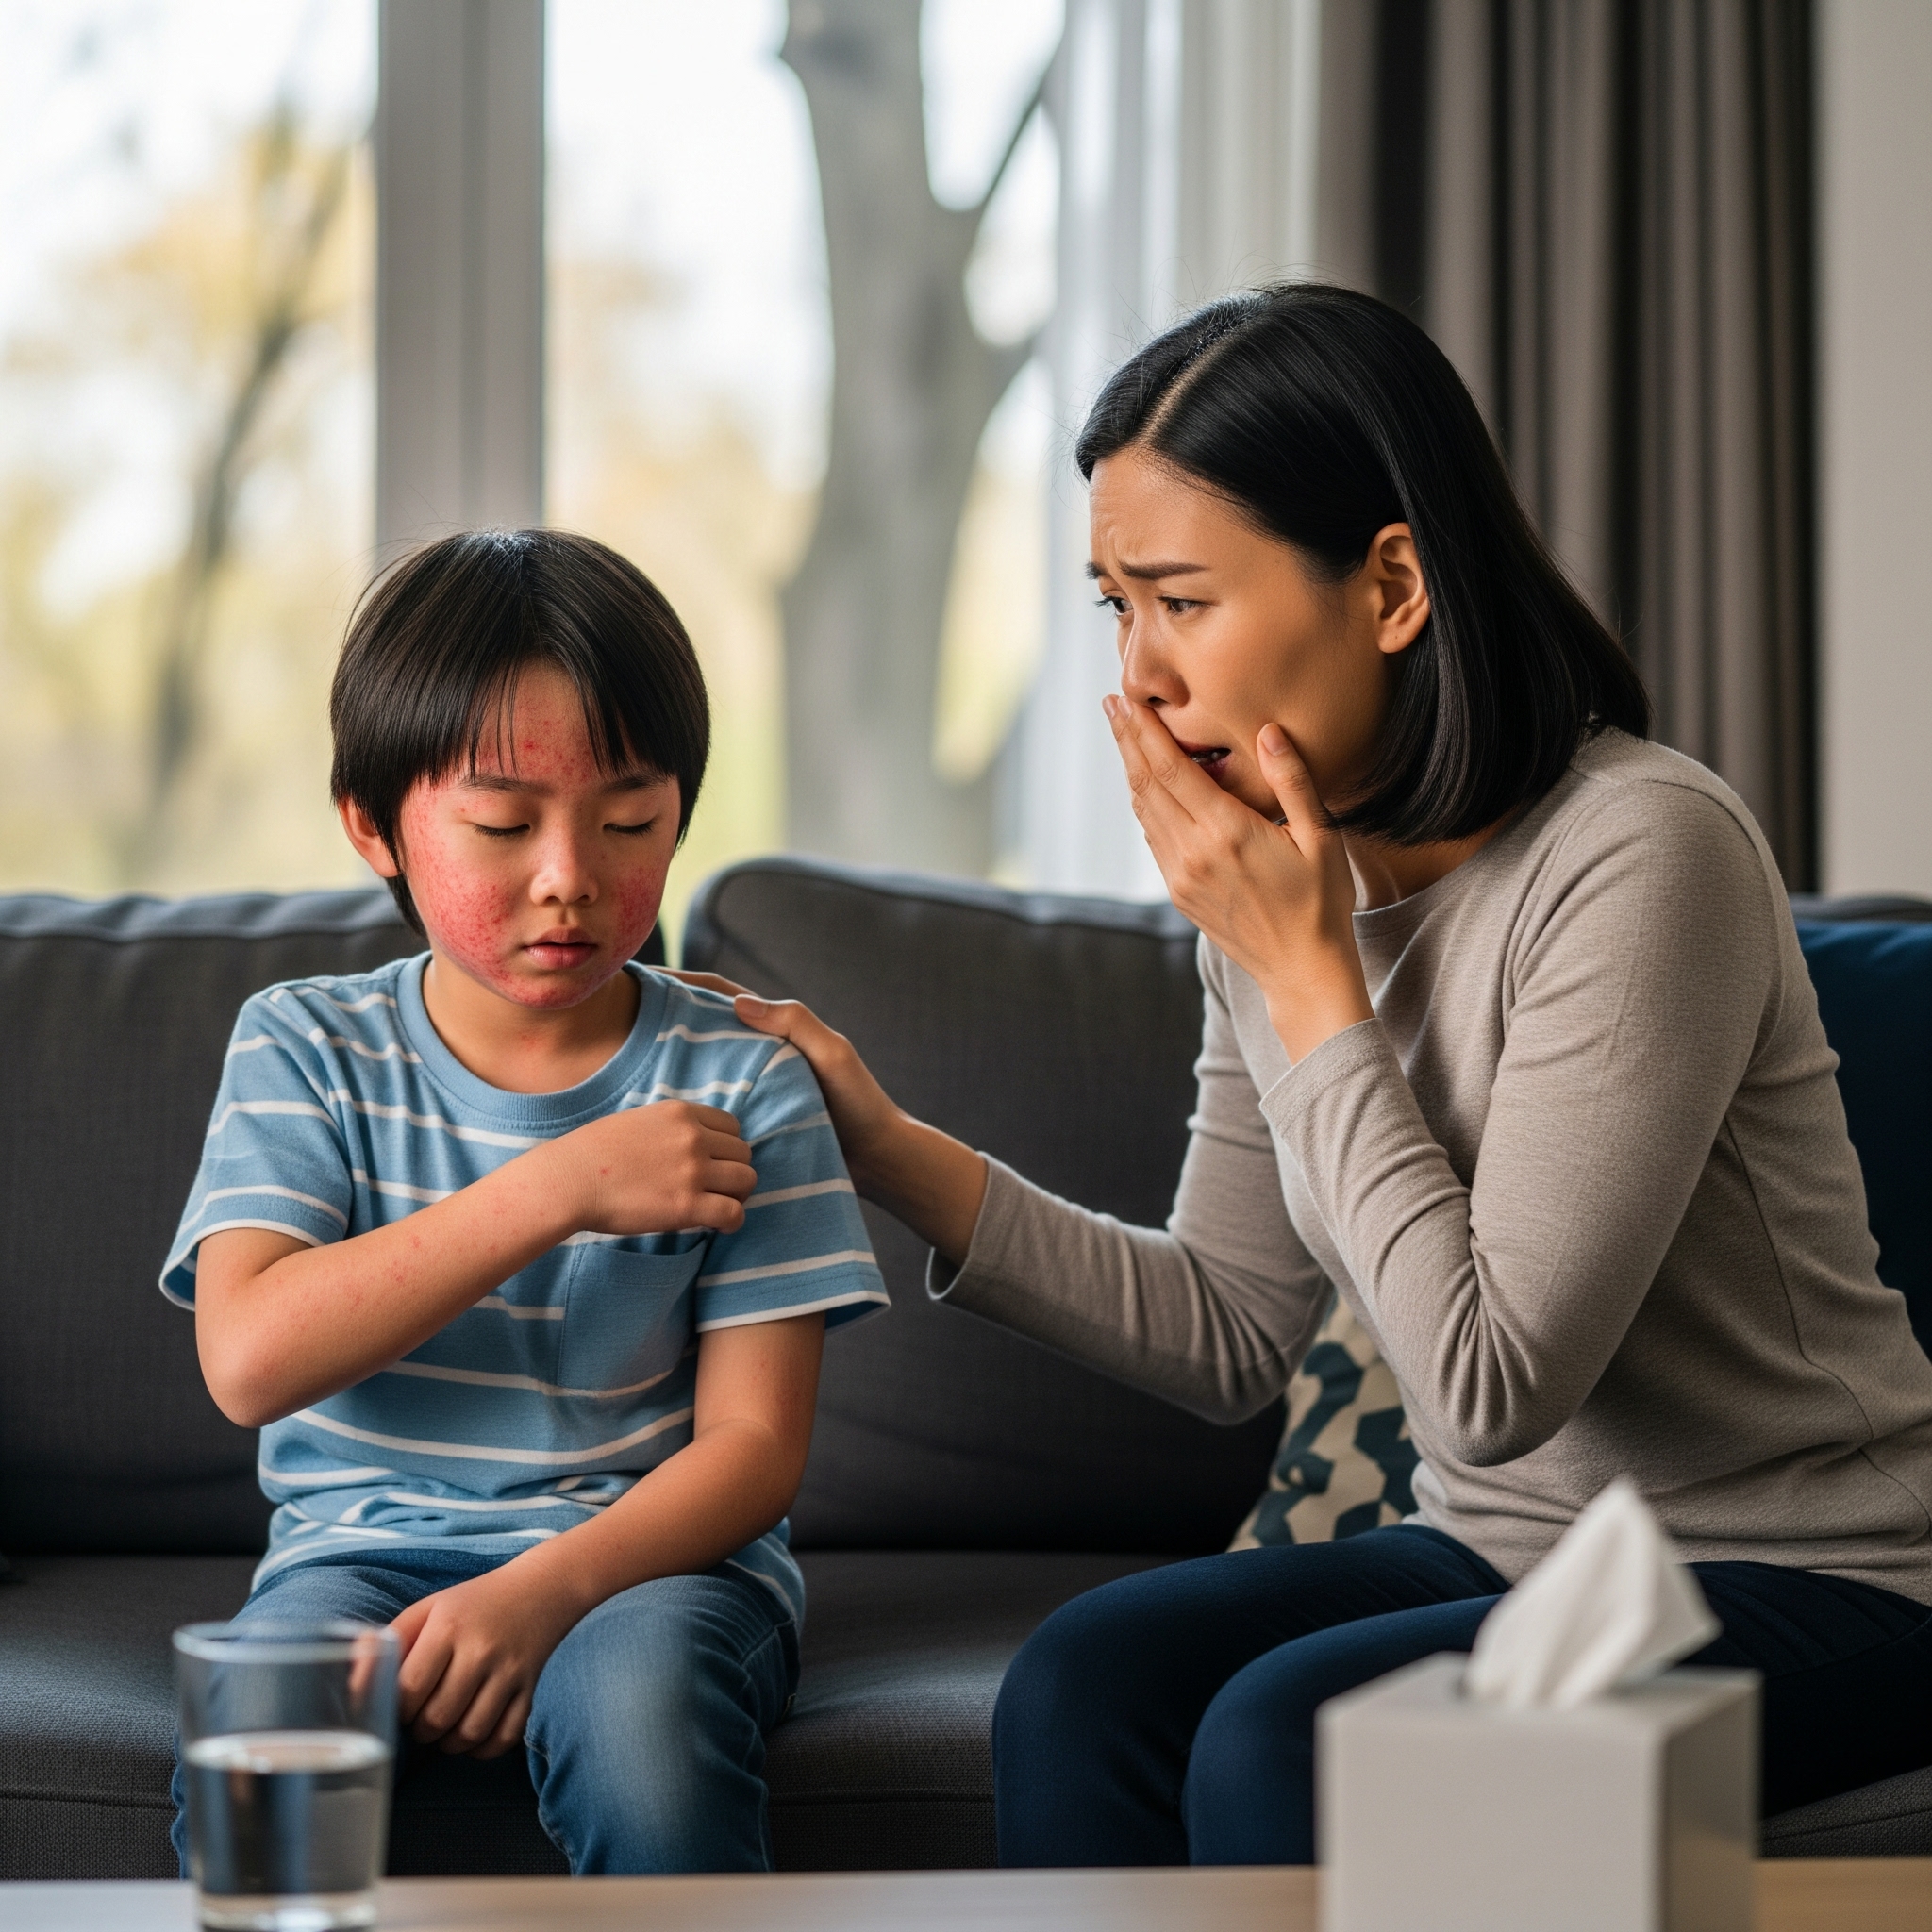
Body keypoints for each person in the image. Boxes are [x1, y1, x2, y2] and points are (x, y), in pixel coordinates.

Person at [692, 284, 1932, 1865]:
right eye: (1112, 608)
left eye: (1183, 601)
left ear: (1395, 585)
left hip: (1823, 1575)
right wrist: (884, 1149)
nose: (1139, 679)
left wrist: (1305, 975)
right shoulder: (1282, 885)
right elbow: (1230, 1325)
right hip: (1510, 1551)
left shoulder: (1640, 855)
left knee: (1294, 1738)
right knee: (1086, 1678)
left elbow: (1489, 1389)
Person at [162, 528, 887, 1874]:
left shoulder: (741, 1085)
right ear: (373, 824)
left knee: (639, 1720)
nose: (570, 876)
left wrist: (544, 1591)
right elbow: (249, 1360)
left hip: (658, 1572)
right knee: (256, 1720)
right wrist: (559, 1186)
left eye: (629, 823)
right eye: (502, 825)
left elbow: (753, 1451)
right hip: (355, 1560)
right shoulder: (305, 1046)